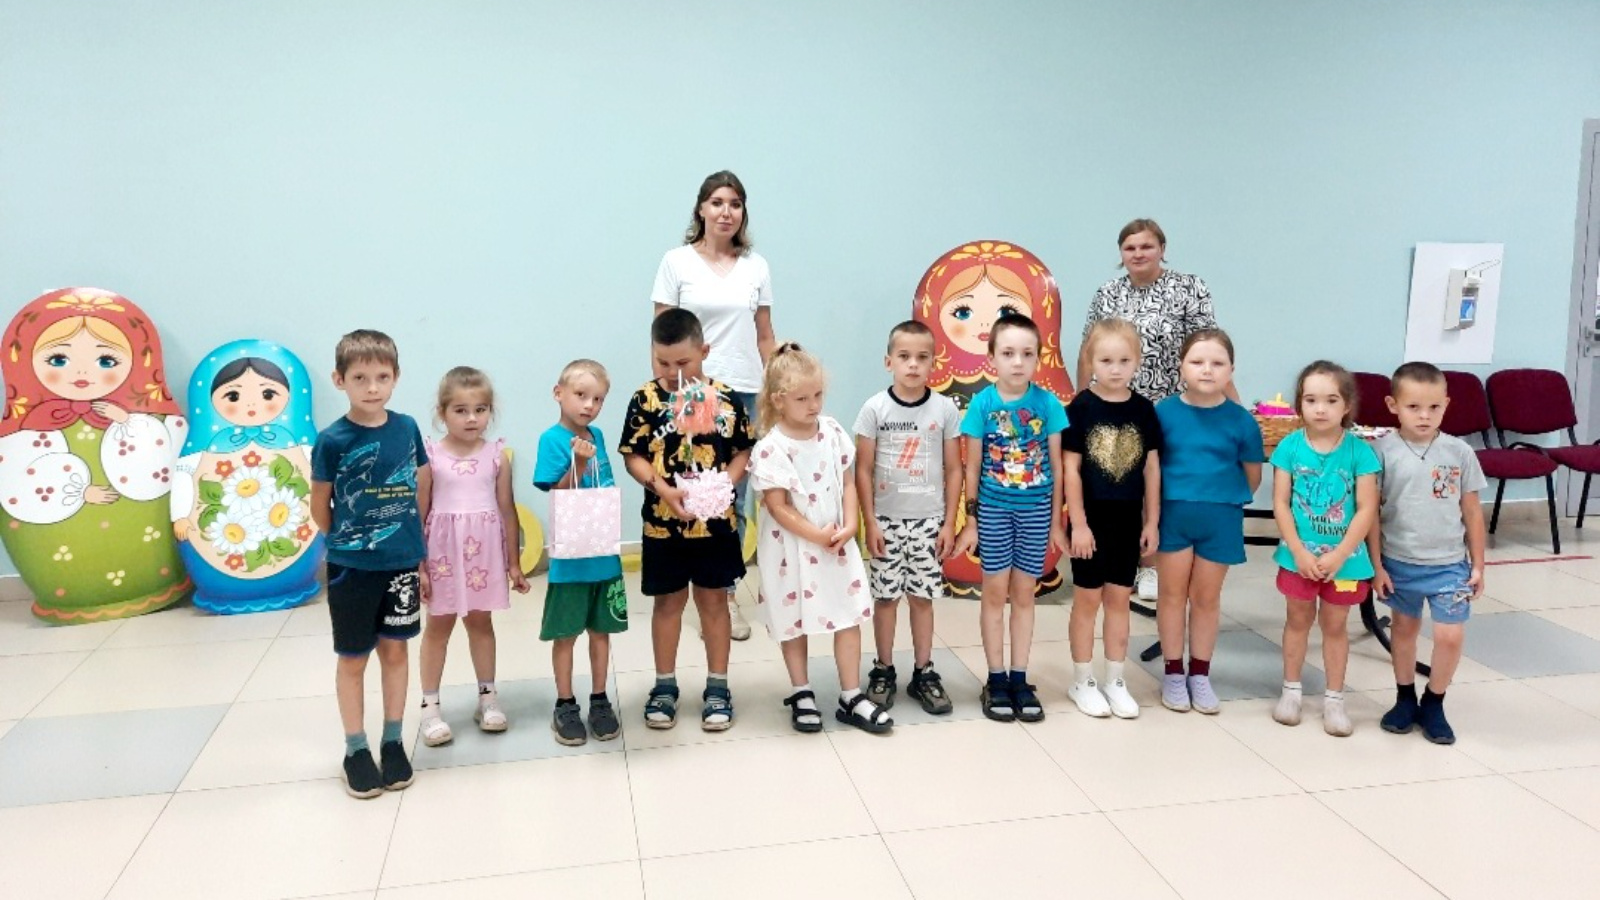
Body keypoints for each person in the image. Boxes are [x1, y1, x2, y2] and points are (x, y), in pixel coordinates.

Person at [652, 170, 775, 641]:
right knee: (688, 486)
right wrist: (665, 393)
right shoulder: (676, 262)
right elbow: (661, 334)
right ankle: (685, 589)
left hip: (742, 393)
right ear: (701, 208)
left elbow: (764, 336)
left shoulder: (756, 266)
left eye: (736, 204)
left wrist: (778, 387)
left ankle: (723, 592)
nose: (727, 212)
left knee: (731, 496)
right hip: (689, 392)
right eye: (718, 202)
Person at [620, 309, 754, 731]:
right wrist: (662, 488)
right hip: (663, 525)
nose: (673, 373)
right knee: (668, 604)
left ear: (704, 352)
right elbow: (633, 455)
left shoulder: (726, 399)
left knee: (714, 603)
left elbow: (743, 450)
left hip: (715, 525)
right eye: (662, 362)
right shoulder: (645, 399)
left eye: (683, 362)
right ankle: (664, 685)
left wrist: (724, 486)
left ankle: (718, 686)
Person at [1079, 219, 1226, 603]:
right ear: (1121, 253)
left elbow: (1207, 346)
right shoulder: (1107, 293)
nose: (1138, 253)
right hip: (1113, 405)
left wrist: (1229, 404)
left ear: (1162, 248)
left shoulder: (1188, 287)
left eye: (1146, 246)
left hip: (1169, 405)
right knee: (1116, 481)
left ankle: (1153, 563)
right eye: (1130, 247)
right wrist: (1081, 400)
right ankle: (1124, 559)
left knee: (1157, 482)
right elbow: (1088, 349)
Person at [750, 343, 894, 734]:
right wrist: (816, 535)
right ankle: (801, 691)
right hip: (792, 550)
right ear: (778, 400)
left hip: (836, 544)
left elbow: (847, 481)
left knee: (847, 614)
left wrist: (849, 525)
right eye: (802, 399)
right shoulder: (771, 448)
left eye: (818, 395)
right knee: (793, 621)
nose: (813, 405)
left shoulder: (831, 432)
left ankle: (851, 695)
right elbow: (777, 506)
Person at [310, 330, 427, 799]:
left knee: (395, 652)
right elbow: (320, 506)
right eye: (360, 377)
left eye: (382, 376)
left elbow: (419, 486)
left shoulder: (407, 428)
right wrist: (347, 543)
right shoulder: (331, 440)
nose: (372, 387)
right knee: (354, 657)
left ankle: (393, 740)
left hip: (401, 564)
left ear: (396, 377)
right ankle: (355, 749)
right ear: (340, 380)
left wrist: (415, 549)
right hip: (351, 568)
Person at [952, 314, 1069, 723]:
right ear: (992, 359)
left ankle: (1020, 677)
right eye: (1008, 353)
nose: (1018, 362)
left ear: (1038, 358)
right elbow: (971, 467)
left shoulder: (1048, 405)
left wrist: (1056, 523)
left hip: (1035, 513)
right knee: (994, 594)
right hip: (994, 512)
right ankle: (996, 678)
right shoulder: (982, 405)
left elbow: (1057, 467)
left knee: (1024, 595)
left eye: (1027, 354)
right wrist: (971, 520)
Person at [1368, 362, 1488, 745]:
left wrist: (1479, 564)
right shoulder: (1380, 453)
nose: (1424, 416)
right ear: (1393, 406)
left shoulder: (1459, 452)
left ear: (1446, 405)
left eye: (1434, 407)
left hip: (1449, 565)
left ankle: (1434, 701)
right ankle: (1405, 698)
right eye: (1414, 407)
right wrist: (1376, 566)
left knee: (1449, 636)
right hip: (1399, 562)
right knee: (1404, 630)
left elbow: (1472, 512)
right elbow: (1370, 515)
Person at [416, 367, 530, 748]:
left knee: (481, 624)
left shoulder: (496, 456)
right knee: (438, 627)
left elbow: (507, 510)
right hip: (443, 555)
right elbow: (419, 512)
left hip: (483, 555)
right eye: (461, 410)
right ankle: (430, 707)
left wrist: (513, 563)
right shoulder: (430, 456)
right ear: (442, 412)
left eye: (480, 410)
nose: (471, 418)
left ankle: (488, 698)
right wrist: (419, 565)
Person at [1154, 328, 1264, 715]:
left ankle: (1199, 674)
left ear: (1231, 370)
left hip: (1220, 518)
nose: (1207, 370)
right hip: (1172, 515)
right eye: (1197, 361)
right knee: (1171, 595)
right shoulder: (1163, 413)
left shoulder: (1242, 421)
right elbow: (1150, 468)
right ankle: (1173, 672)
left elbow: (1252, 476)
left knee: (1206, 598)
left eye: (1217, 363)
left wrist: (1220, 496)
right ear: (1181, 366)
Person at [855, 320, 961, 715]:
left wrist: (949, 523)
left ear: (934, 362)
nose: (913, 364)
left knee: (921, 599)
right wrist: (870, 522)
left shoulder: (945, 409)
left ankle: (924, 671)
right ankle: (883, 669)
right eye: (904, 357)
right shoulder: (874, 409)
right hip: (886, 522)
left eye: (922, 357)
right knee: (885, 599)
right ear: (889, 362)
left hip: (929, 523)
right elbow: (862, 469)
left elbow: (955, 468)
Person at [1269, 361, 1380, 737]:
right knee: (1297, 620)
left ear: (1346, 405)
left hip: (1345, 562)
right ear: (1299, 404)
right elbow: (1281, 503)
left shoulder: (1360, 452)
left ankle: (1334, 700)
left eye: (1331, 400)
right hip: (1297, 558)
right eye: (1311, 400)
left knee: (1335, 626)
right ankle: (1291, 692)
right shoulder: (1289, 447)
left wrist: (1340, 554)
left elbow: (1366, 509)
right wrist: (1299, 552)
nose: (1320, 409)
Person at [1062, 319, 1162, 719]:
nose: (1115, 369)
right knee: (1087, 599)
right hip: (1090, 521)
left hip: (1128, 520)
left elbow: (1151, 468)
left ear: (1137, 361)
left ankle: (1115, 680)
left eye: (1124, 360)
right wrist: (1079, 523)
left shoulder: (1144, 409)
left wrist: (1151, 521)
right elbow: (1071, 470)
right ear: (1091, 362)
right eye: (1106, 361)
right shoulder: (1080, 408)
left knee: (1120, 599)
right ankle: (1082, 679)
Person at [533, 359, 629, 746]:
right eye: (581, 395)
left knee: (601, 631)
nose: (589, 405)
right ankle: (565, 702)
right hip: (571, 558)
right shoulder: (551, 439)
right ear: (559, 394)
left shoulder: (598, 435)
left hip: (603, 552)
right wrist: (580, 462)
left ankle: (600, 699)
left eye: (598, 399)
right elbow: (558, 493)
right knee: (566, 634)